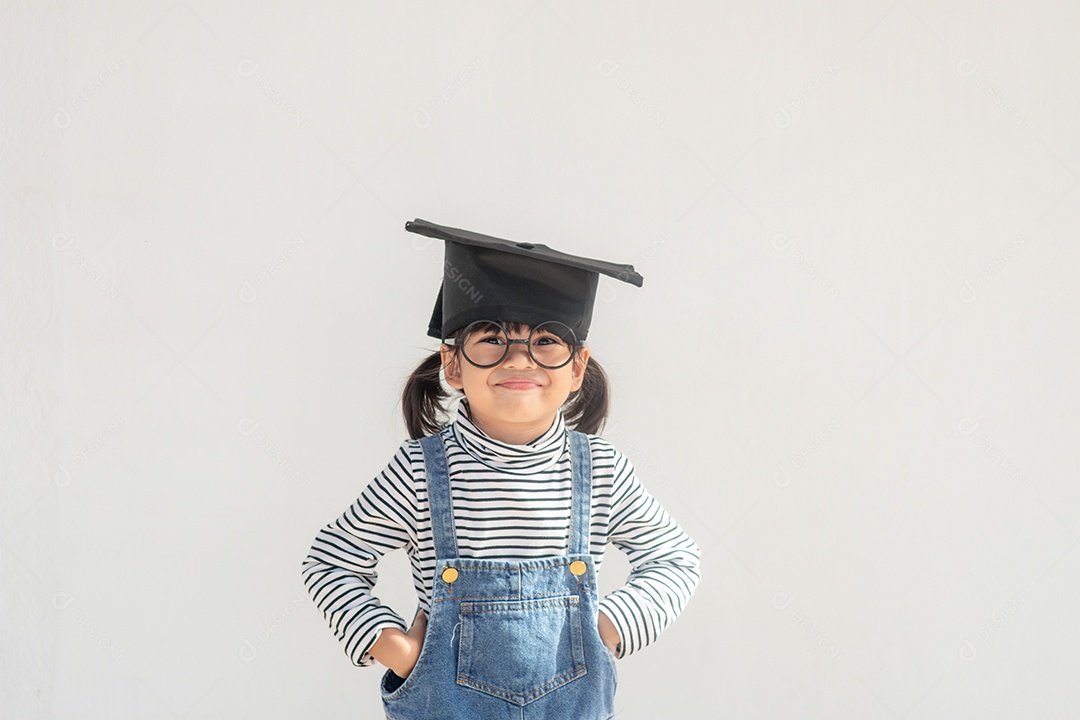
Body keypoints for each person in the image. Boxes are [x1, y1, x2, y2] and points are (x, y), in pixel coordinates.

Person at [301, 219, 701, 719]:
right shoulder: (419, 472)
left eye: (547, 341)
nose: (519, 360)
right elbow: (330, 562)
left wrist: (609, 628)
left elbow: (675, 559)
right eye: (491, 339)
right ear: (452, 364)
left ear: (577, 367)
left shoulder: (601, 469)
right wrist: (397, 650)